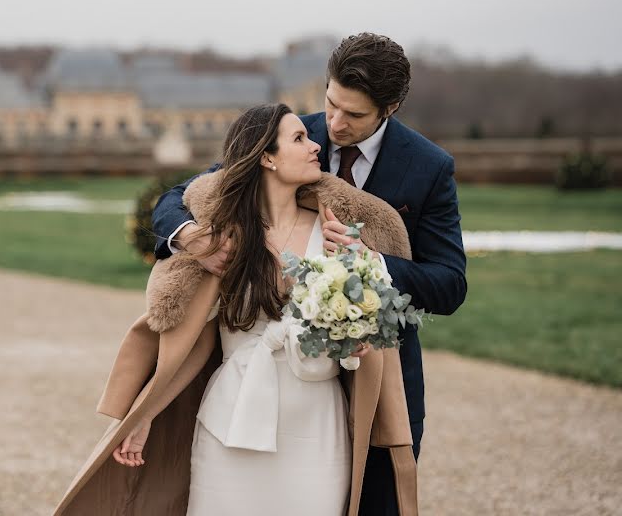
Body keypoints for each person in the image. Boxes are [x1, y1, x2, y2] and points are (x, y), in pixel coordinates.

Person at [151, 33, 468, 514]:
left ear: (391, 107)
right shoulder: (292, 133)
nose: (335, 125)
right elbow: (185, 195)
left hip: (378, 376)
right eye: (331, 102)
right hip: (268, 385)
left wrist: (372, 261)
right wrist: (188, 234)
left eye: (354, 115)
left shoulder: (428, 167)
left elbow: (449, 283)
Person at [53, 102, 419, 516]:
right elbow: (195, 344)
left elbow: (371, 326)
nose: (315, 145)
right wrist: (144, 416)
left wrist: (356, 342)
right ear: (266, 157)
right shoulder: (222, 242)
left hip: (317, 426)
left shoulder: (337, 232)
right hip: (228, 422)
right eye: (299, 138)